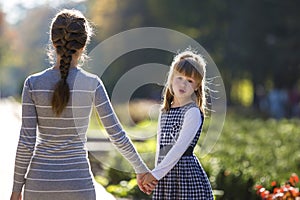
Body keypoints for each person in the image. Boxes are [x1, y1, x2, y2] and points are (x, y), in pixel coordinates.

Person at [10, 9, 149, 200]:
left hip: (39, 184)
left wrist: (16, 189)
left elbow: (26, 142)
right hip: (79, 185)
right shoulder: (92, 84)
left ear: (53, 42)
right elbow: (116, 134)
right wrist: (142, 169)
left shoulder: (33, 84)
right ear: (84, 45)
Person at [141, 50, 214, 199]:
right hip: (166, 175)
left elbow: (179, 148)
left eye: (190, 80)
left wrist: (154, 175)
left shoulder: (192, 112)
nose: (183, 83)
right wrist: (155, 177)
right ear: (171, 78)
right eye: (179, 77)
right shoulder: (165, 111)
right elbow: (160, 148)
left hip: (185, 177)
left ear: (196, 86)